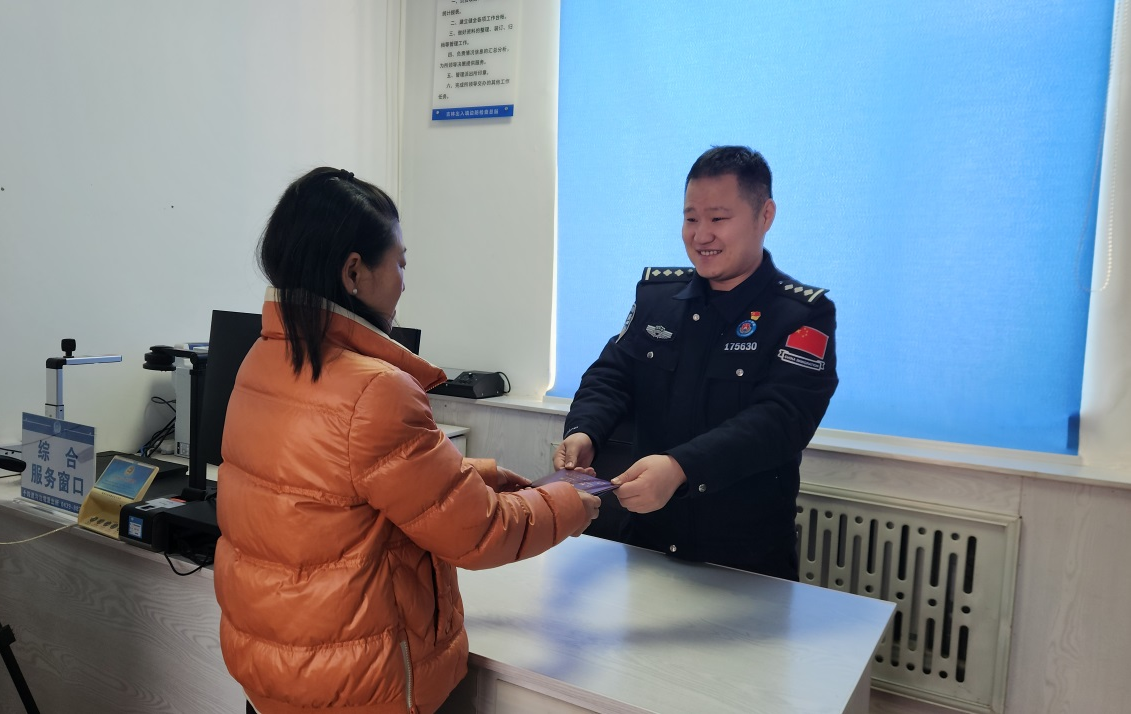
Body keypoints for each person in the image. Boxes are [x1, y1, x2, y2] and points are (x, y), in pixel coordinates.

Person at [214, 167, 600, 714]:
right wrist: (570, 503)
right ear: (354, 272)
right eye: (399, 262)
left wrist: (483, 476)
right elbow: (481, 533)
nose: (403, 281)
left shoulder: (261, 359)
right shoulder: (376, 390)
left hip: (275, 678)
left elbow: (347, 489)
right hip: (361, 691)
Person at [553, 146, 838, 581]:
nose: (701, 235)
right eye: (691, 219)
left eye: (718, 219)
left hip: (742, 560)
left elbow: (781, 421)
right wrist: (584, 431)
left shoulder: (801, 316)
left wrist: (681, 468)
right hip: (646, 543)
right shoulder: (658, 299)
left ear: (765, 216)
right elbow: (611, 375)